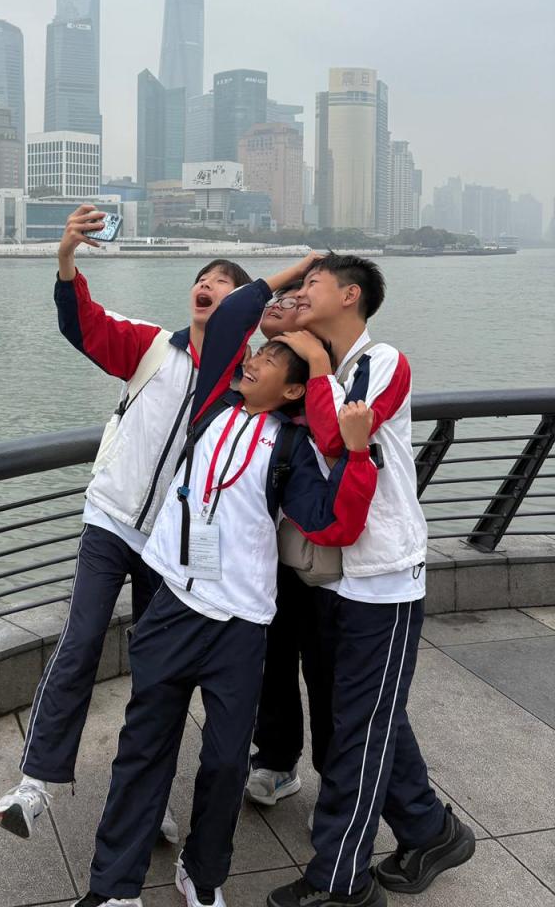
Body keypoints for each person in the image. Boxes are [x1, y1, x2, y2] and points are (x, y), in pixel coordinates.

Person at [0, 204, 315, 841]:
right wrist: (66, 257)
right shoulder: (151, 346)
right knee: (81, 638)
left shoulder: (244, 385)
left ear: (240, 306)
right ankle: (33, 786)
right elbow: (84, 324)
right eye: (203, 278)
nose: (207, 285)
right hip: (111, 520)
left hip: (171, 549)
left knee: (157, 678)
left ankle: (149, 796)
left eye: (223, 282)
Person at [69, 277, 380, 907]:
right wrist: (293, 276)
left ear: (293, 390)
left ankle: (203, 873)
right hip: (172, 607)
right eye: (257, 353)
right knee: (143, 747)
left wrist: (355, 454)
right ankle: (114, 886)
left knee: (226, 761)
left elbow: (335, 525)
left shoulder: (291, 447)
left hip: (239, 624)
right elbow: (238, 312)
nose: (255, 360)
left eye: (271, 361)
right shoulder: (213, 403)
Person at [266, 254, 476, 907]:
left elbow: (335, 439)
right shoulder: (313, 363)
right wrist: (296, 340)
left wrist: (317, 365)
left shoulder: (383, 362)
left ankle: (341, 881)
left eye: (313, 284)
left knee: (359, 730)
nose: (302, 292)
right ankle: (430, 831)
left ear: (350, 295)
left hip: (382, 578)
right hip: (330, 576)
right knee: (367, 714)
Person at [247, 283, 334, 811]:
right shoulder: (264, 369)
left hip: (319, 552)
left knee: (326, 669)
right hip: (267, 549)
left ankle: (337, 784)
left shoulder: (335, 365)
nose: (283, 306)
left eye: (300, 298)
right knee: (272, 659)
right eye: (281, 299)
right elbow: (251, 324)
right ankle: (277, 761)